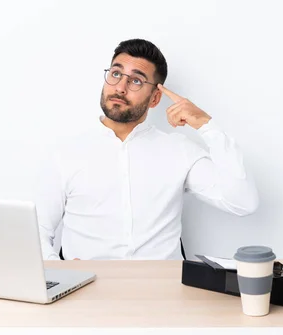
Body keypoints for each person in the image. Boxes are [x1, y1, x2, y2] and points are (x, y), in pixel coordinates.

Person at [35, 38, 259, 260]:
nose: (120, 88)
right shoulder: (66, 155)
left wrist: (205, 124)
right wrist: (61, 272)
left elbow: (243, 202)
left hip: (164, 289)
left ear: (155, 98)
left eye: (136, 81)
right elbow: (37, 230)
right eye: (115, 74)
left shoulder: (179, 151)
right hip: (87, 289)